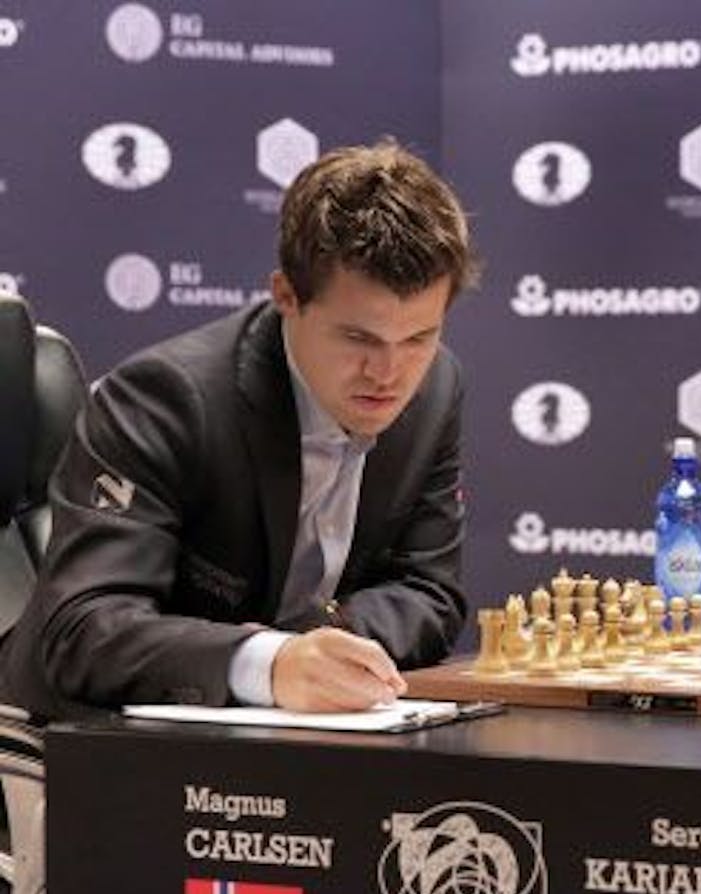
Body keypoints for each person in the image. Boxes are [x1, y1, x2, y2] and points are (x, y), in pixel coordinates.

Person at [0, 141, 480, 719]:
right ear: (285, 297)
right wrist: (268, 661)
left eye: (418, 339)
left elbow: (429, 590)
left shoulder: (435, 390)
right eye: (358, 339)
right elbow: (81, 630)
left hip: (297, 733)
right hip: (97, 735)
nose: (389, 374)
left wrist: (319, 642)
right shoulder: (165, 399)